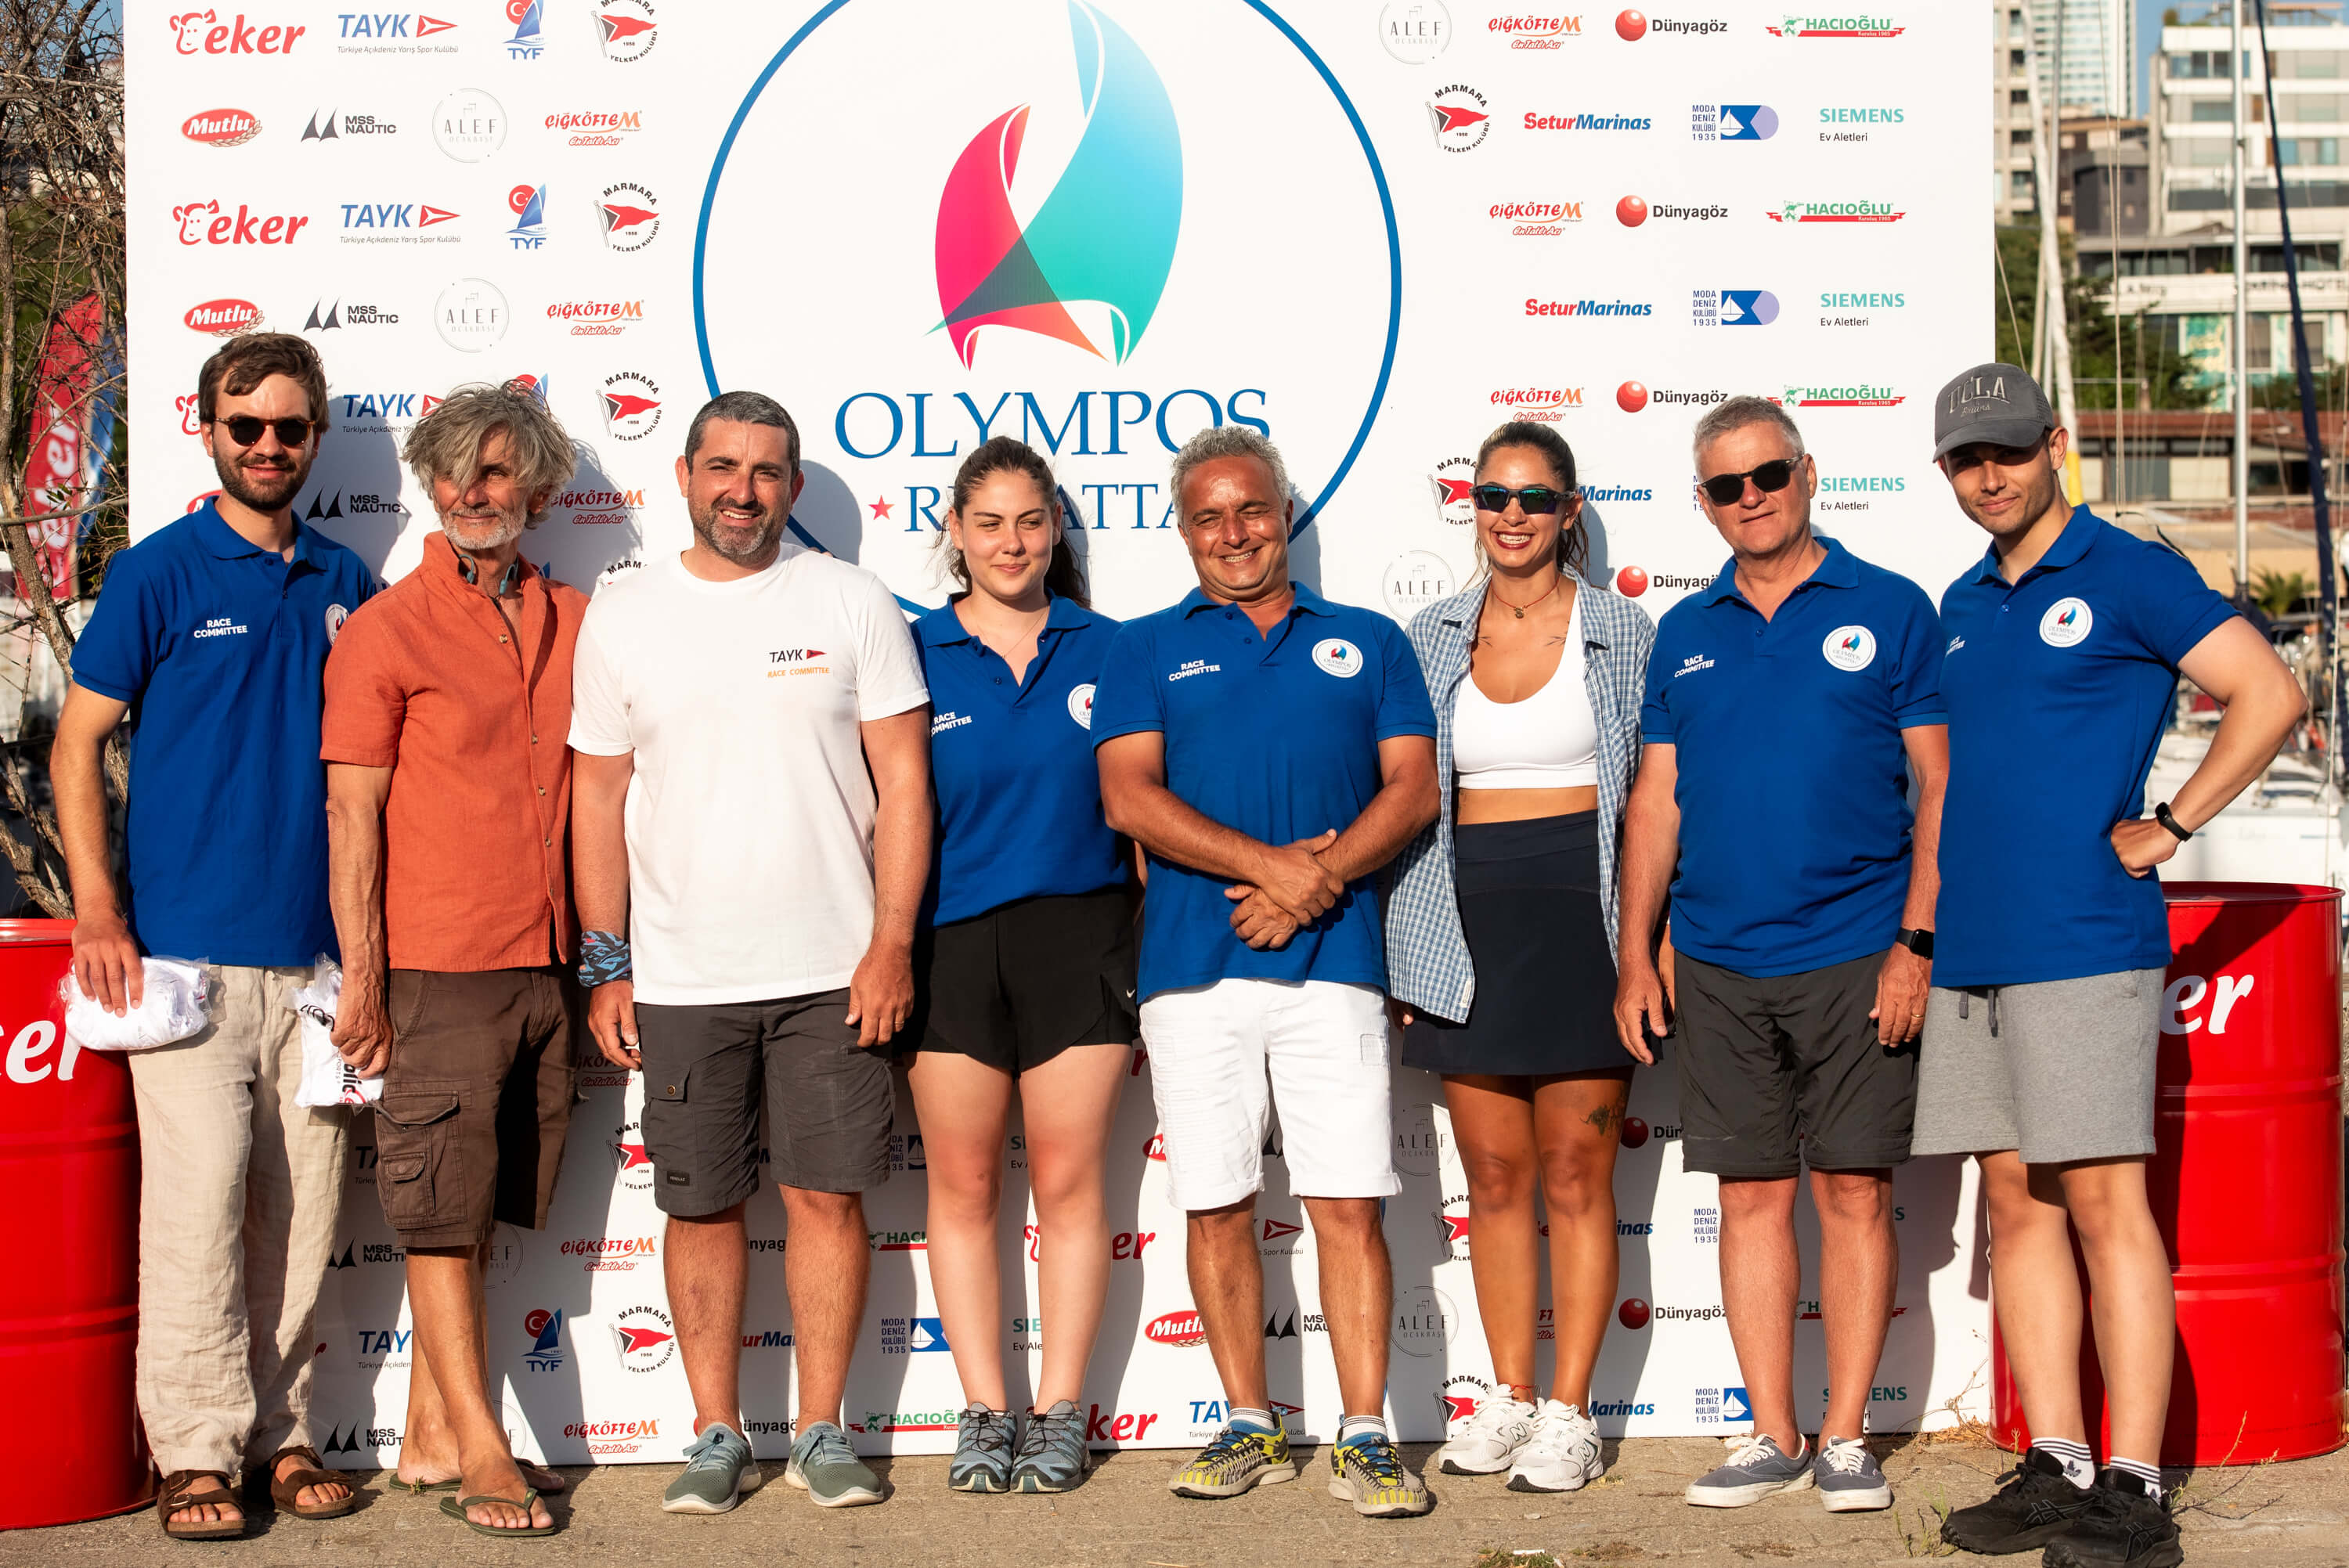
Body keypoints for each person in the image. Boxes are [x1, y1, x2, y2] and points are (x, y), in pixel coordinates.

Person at [1922, 365, 2302, 1568]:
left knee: (2102, 1202)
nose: (1990, 477)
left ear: (2056, 445)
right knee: (2017, 1203)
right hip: (1974, 948)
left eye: (2008, 452)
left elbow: (2270, 692)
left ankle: (2134, 1492)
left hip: (2083, 939)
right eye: (1966, 460)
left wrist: (2173, 823)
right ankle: (2060, 1465)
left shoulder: (2128, 571)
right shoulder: (1963, 599)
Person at [568, 391, 932, 1516]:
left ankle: (822, 1432)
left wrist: (891, 944)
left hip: (834, 973)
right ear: (684, 475)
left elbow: (906, 785)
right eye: (722, 467)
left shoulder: (851, 599)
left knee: (827, 1199)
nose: (743, 490)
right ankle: (715, 1433)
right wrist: (606, 962)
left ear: (794, 486)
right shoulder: (623, 611)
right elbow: (596, 797)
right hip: (683, 976)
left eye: (767, 471)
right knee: (701, 1208)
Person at [52, 333, 373, 1539]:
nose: (268, 445)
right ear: (208, 431)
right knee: (196, 1212)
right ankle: (194, 1454)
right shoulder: (157, 572)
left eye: (290, 427)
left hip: (316, 966)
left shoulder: (347, 579)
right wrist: (98, 908)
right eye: (247, 426)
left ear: (315, 435)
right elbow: (75, 743)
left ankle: (282, 1438)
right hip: (180, 960)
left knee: (303, 1215)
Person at [1093, 424, 1441, 1519]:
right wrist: (1275, 869)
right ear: (1183, 529)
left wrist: (1312, 883)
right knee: (1215, 1204)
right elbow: (1128, 798)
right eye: (1209, 516)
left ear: (1285, 512)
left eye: (1252, 509)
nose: (1234, 532)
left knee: (1348, 1204)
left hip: (1336, 965)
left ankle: (1365, 1435)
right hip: (1193, 972)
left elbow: (1413, 790)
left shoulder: (1370, 640)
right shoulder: (1142, 648)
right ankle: (1249, 1423)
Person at [1613, 396, 1947, 1515]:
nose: (1750, 497)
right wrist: (1636, 954)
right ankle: (1772, 1432)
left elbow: (1938, 785)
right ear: (1704, 504)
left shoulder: (1891, 608)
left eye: (1768, 475)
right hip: (1713, 961)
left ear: (1807, 474)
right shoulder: (1682, 632)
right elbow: (1656, 800)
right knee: (1751, 1198)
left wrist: (1916, 942)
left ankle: (1847, 1438)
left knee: (1853, 1190)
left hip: (1859, 951)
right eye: (1727, 485)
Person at [322, 380, 587, 1540]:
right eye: (452, 472)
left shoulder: (576, 616)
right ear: (429, 486)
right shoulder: (386, 630)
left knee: (477, 1211)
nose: (471, 492)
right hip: (437, 963)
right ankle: (483, 1449)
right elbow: (352, 817)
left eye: (495, 470)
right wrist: (365, 975)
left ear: (538, 488)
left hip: (546, 959)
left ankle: (430, 1434)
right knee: (435, 1211)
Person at [1384, 421, 1654, 1492]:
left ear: (1569, 511)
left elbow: (1654, 802)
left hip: (1586, 921)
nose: (1511, 515)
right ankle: (1505, 1394)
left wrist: (1645, 949)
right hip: (1465, 926)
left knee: (1580, 1175)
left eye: (1534, 498)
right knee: (1493, 1178)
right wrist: (1407, 951)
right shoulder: (1429, 635)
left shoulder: (1621, 628)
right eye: (1492, 495)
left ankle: (1570, 1413)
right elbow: (1406, 799)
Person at [904, 437, 1135, 1494]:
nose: (1011, 543)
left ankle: (1060, 1412)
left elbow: (1142, 810)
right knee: (960, 1187)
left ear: (1055, 530)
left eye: (1030, 522)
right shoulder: (910, 651)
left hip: (1082, 938)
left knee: (1070, 1184)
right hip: (947, 943)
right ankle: (984, 1410)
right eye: (989, 523)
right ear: (955, 531)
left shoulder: (1110, 648)